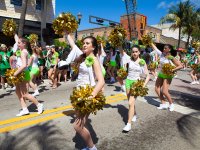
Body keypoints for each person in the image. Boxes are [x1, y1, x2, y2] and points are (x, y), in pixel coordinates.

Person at [59, 31, 105, 150]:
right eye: (84, 43)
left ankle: (92, 147)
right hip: (79, 93)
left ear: (93, 47)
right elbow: (73, 45)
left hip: (87, 94)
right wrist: (66, 32)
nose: (84, 45)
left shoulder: (94, 59)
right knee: (81, 123)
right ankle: (88, 146)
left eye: (87, 43)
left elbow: (101, 80)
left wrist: (92, 95)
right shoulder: (83, 56)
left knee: (77, 126)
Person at [14, 36, 44, 116]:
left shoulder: (23, 52)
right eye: (18, 43)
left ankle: (39, 105)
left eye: (19, 43)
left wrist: (15, 73)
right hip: (20, 73)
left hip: (22, 73)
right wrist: (14, 33)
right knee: (17, 92)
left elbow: (24, 65)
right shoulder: (22, 50)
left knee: (25, 94)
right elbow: (16, 39)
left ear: (24, 43)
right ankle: (24, 109)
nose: (18, 44)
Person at [123, 45, 150, 132]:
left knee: (131, 103)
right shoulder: (129, 60)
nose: (134, 53)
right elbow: (121, 51)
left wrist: (143, 85)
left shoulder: (142, 62)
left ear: (139, 52)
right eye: (133, 52)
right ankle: (134, 114)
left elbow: (148, 76)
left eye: (136, 51)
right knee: (130, 102)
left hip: (136, 83)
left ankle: (128, 124)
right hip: (128, 81)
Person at [151, 43, 183, 111]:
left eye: (165, 48)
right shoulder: (161, 54)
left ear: (169, 49)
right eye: (163, 48)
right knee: (157, 89)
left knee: (164, 91)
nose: (164, 49)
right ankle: (163, 103)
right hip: (161, 74)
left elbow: (180, 66)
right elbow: (155, 48)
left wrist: (172, 70)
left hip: (168, 75)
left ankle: (171, 104)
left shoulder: (171, 57)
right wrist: (149, 41)